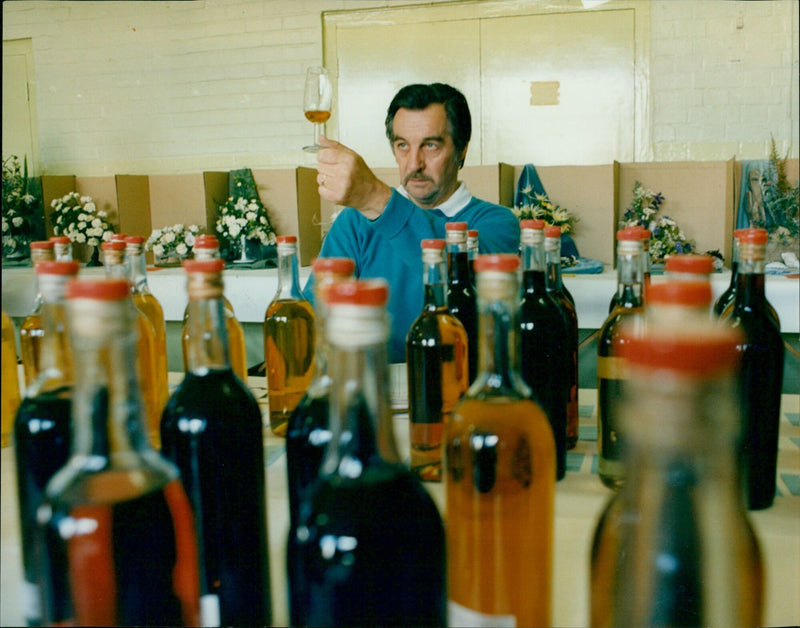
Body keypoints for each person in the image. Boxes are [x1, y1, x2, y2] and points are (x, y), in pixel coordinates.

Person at [304, 82, 520, 363]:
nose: (414, 163)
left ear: (462, 150)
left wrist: (375, 197)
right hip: (374, 390)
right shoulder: (354, 222)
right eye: (402, 145)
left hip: (457, 390)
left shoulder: (496, 223)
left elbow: (459, 274)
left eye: (431, 145)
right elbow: (315, 314)